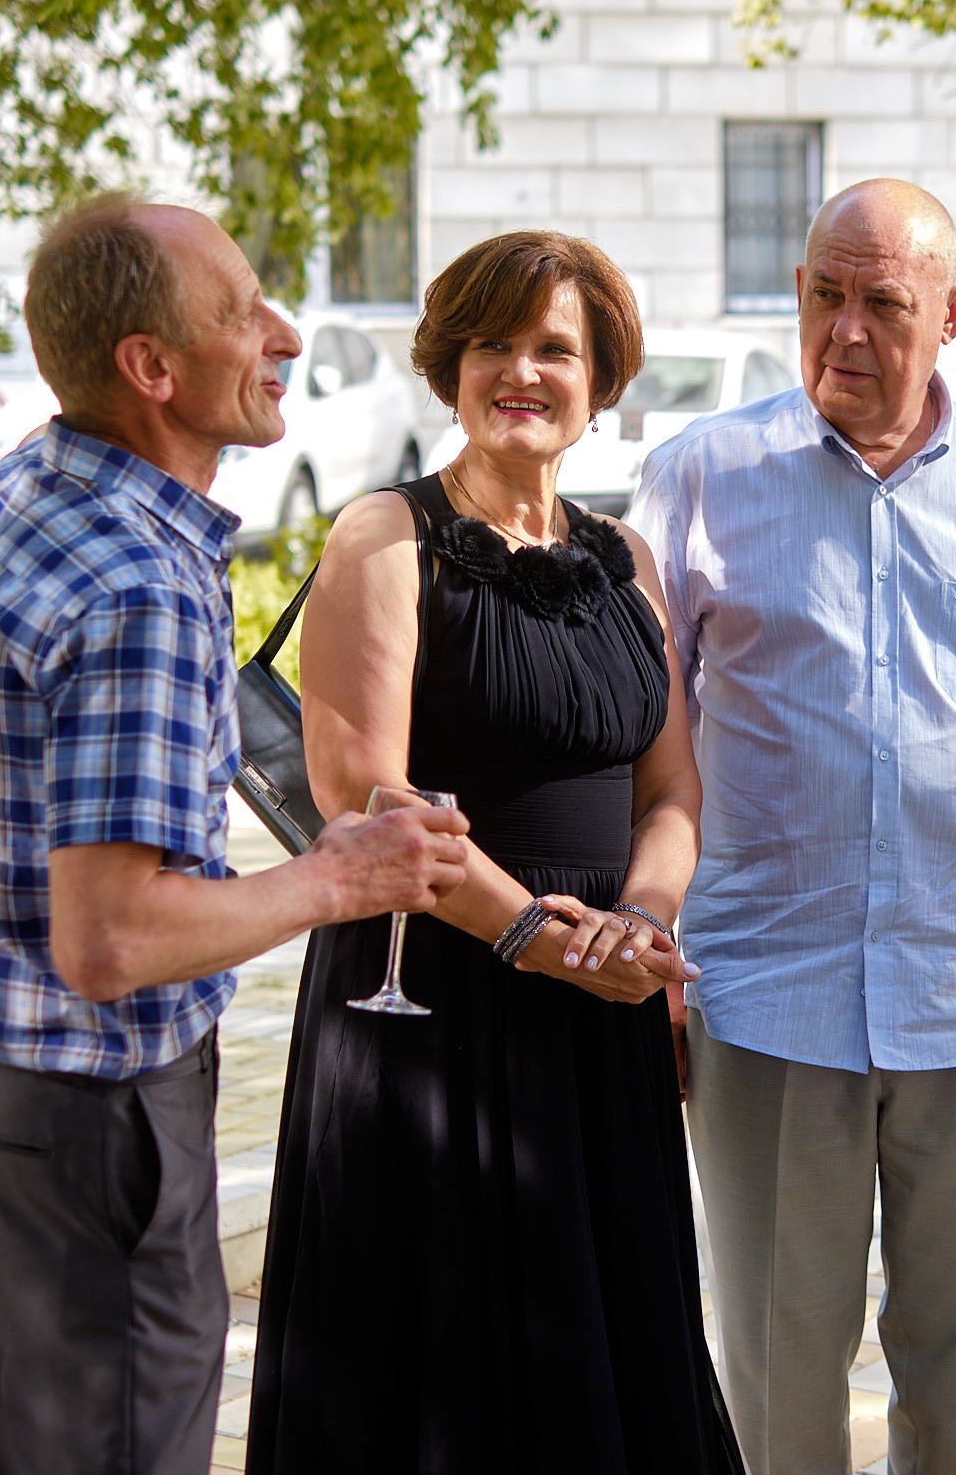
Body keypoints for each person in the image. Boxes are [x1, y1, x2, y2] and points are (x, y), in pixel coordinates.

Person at [0, 192, 470, 1475]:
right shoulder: (140, 585)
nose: (282, 331)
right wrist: (338, 878)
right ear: (151, 370)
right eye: (239, 313)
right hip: (94, 1129)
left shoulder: (33, 493)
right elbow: (111, 940)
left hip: (1, 1107)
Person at [628, 178, 956, 1475]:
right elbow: (645, 753)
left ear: (951, 314)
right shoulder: (694, 479)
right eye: (823, 294)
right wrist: (650, 951)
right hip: (764, 991)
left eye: (883, 303)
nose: (845, 331)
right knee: (780, 1380)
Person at [247, 230, 743, 1474]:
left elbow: (674, 784)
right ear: (449, 366)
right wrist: (537, 935)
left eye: (555, 349)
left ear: (601, 377)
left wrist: (640, 920)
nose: (523, 371)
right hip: (436, 999)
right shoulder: (383, 537)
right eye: (494, 345)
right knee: (437, 1363)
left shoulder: (625, 560)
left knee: (603, 1342)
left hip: (601, 1002)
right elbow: (365, 798)